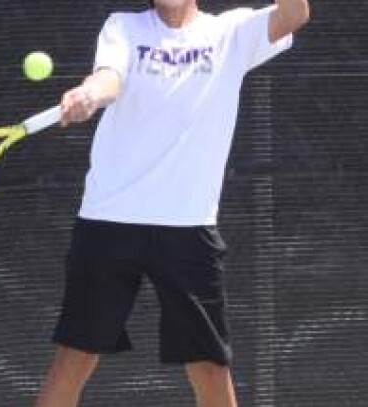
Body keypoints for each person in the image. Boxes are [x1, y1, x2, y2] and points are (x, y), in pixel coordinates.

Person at [35, 0, 310, 406]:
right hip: (109, 221)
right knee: (72, 361)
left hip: (189, 227)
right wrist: (89, 94)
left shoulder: (231, 32)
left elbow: (294, 14)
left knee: (211, 369)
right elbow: (109, 77)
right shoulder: (124, 27)